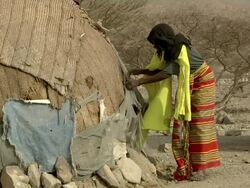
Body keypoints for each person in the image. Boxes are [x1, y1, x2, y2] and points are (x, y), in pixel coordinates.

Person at [126, 23, 220, 181]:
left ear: (162, 40)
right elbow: (161, 69)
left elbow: (165, 74)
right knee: (190, 125)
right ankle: (193, 167)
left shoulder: (179, 50)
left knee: (199, 125)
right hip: (193, 83)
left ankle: (201, 169)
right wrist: (138, 71)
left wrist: (138, 82)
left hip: (203, 83)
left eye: (156, 43)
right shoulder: (172, 50)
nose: (155, 47)